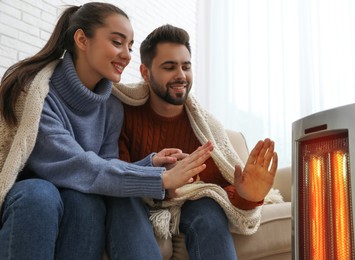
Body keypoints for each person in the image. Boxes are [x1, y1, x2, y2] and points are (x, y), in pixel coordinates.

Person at [0, 4, 213, 260]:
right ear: (81, 39)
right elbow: (76, 166)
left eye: (130, 46)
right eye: (117, 42)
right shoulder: (34, 94)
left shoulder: (112, 106)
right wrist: (159, 179)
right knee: (40, 193)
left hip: (76, 195)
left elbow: (103, 167)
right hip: (29, 195)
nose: (127, 55)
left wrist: (150, 164)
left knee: (86, 202)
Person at [115, 24, 282, 260]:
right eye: (169, 67)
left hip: (195, 204)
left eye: (186, 66)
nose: (181, 75)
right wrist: (163, 185)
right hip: (140, 204)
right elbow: (115, 174)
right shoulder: (123, 113)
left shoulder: (205, 128)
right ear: (145, 72)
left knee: (208, 209)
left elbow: (220, 190)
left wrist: (249, 195)